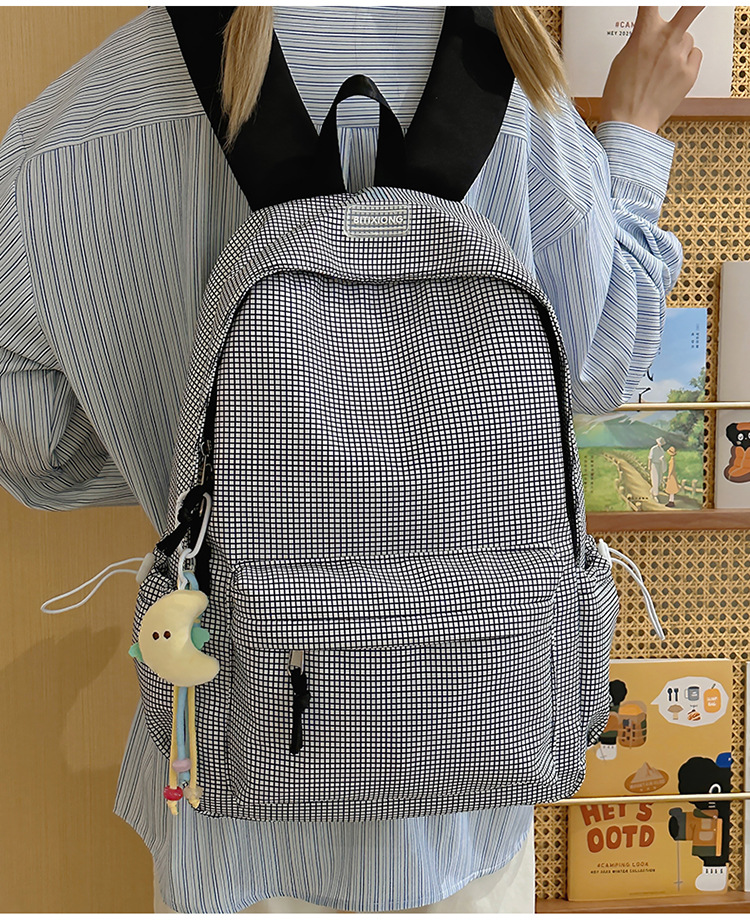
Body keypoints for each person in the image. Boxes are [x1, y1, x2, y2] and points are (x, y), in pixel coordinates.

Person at [0, 5, 701, 914]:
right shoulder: (514, 83)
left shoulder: (82, 122)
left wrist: (178, 468)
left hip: (231, 811)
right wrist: (634, 134)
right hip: (477, 792)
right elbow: (605, 367)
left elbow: (31, 441)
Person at [649, 436, 668, 502]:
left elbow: (663, 457)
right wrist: (649, 466)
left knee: (659, 480)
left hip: (659, 465)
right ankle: (655, 495)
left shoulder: (661, 450)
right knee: (655, 479)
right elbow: (650, 458)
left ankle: (652, 491)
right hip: (654, 464)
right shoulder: (653, 449)